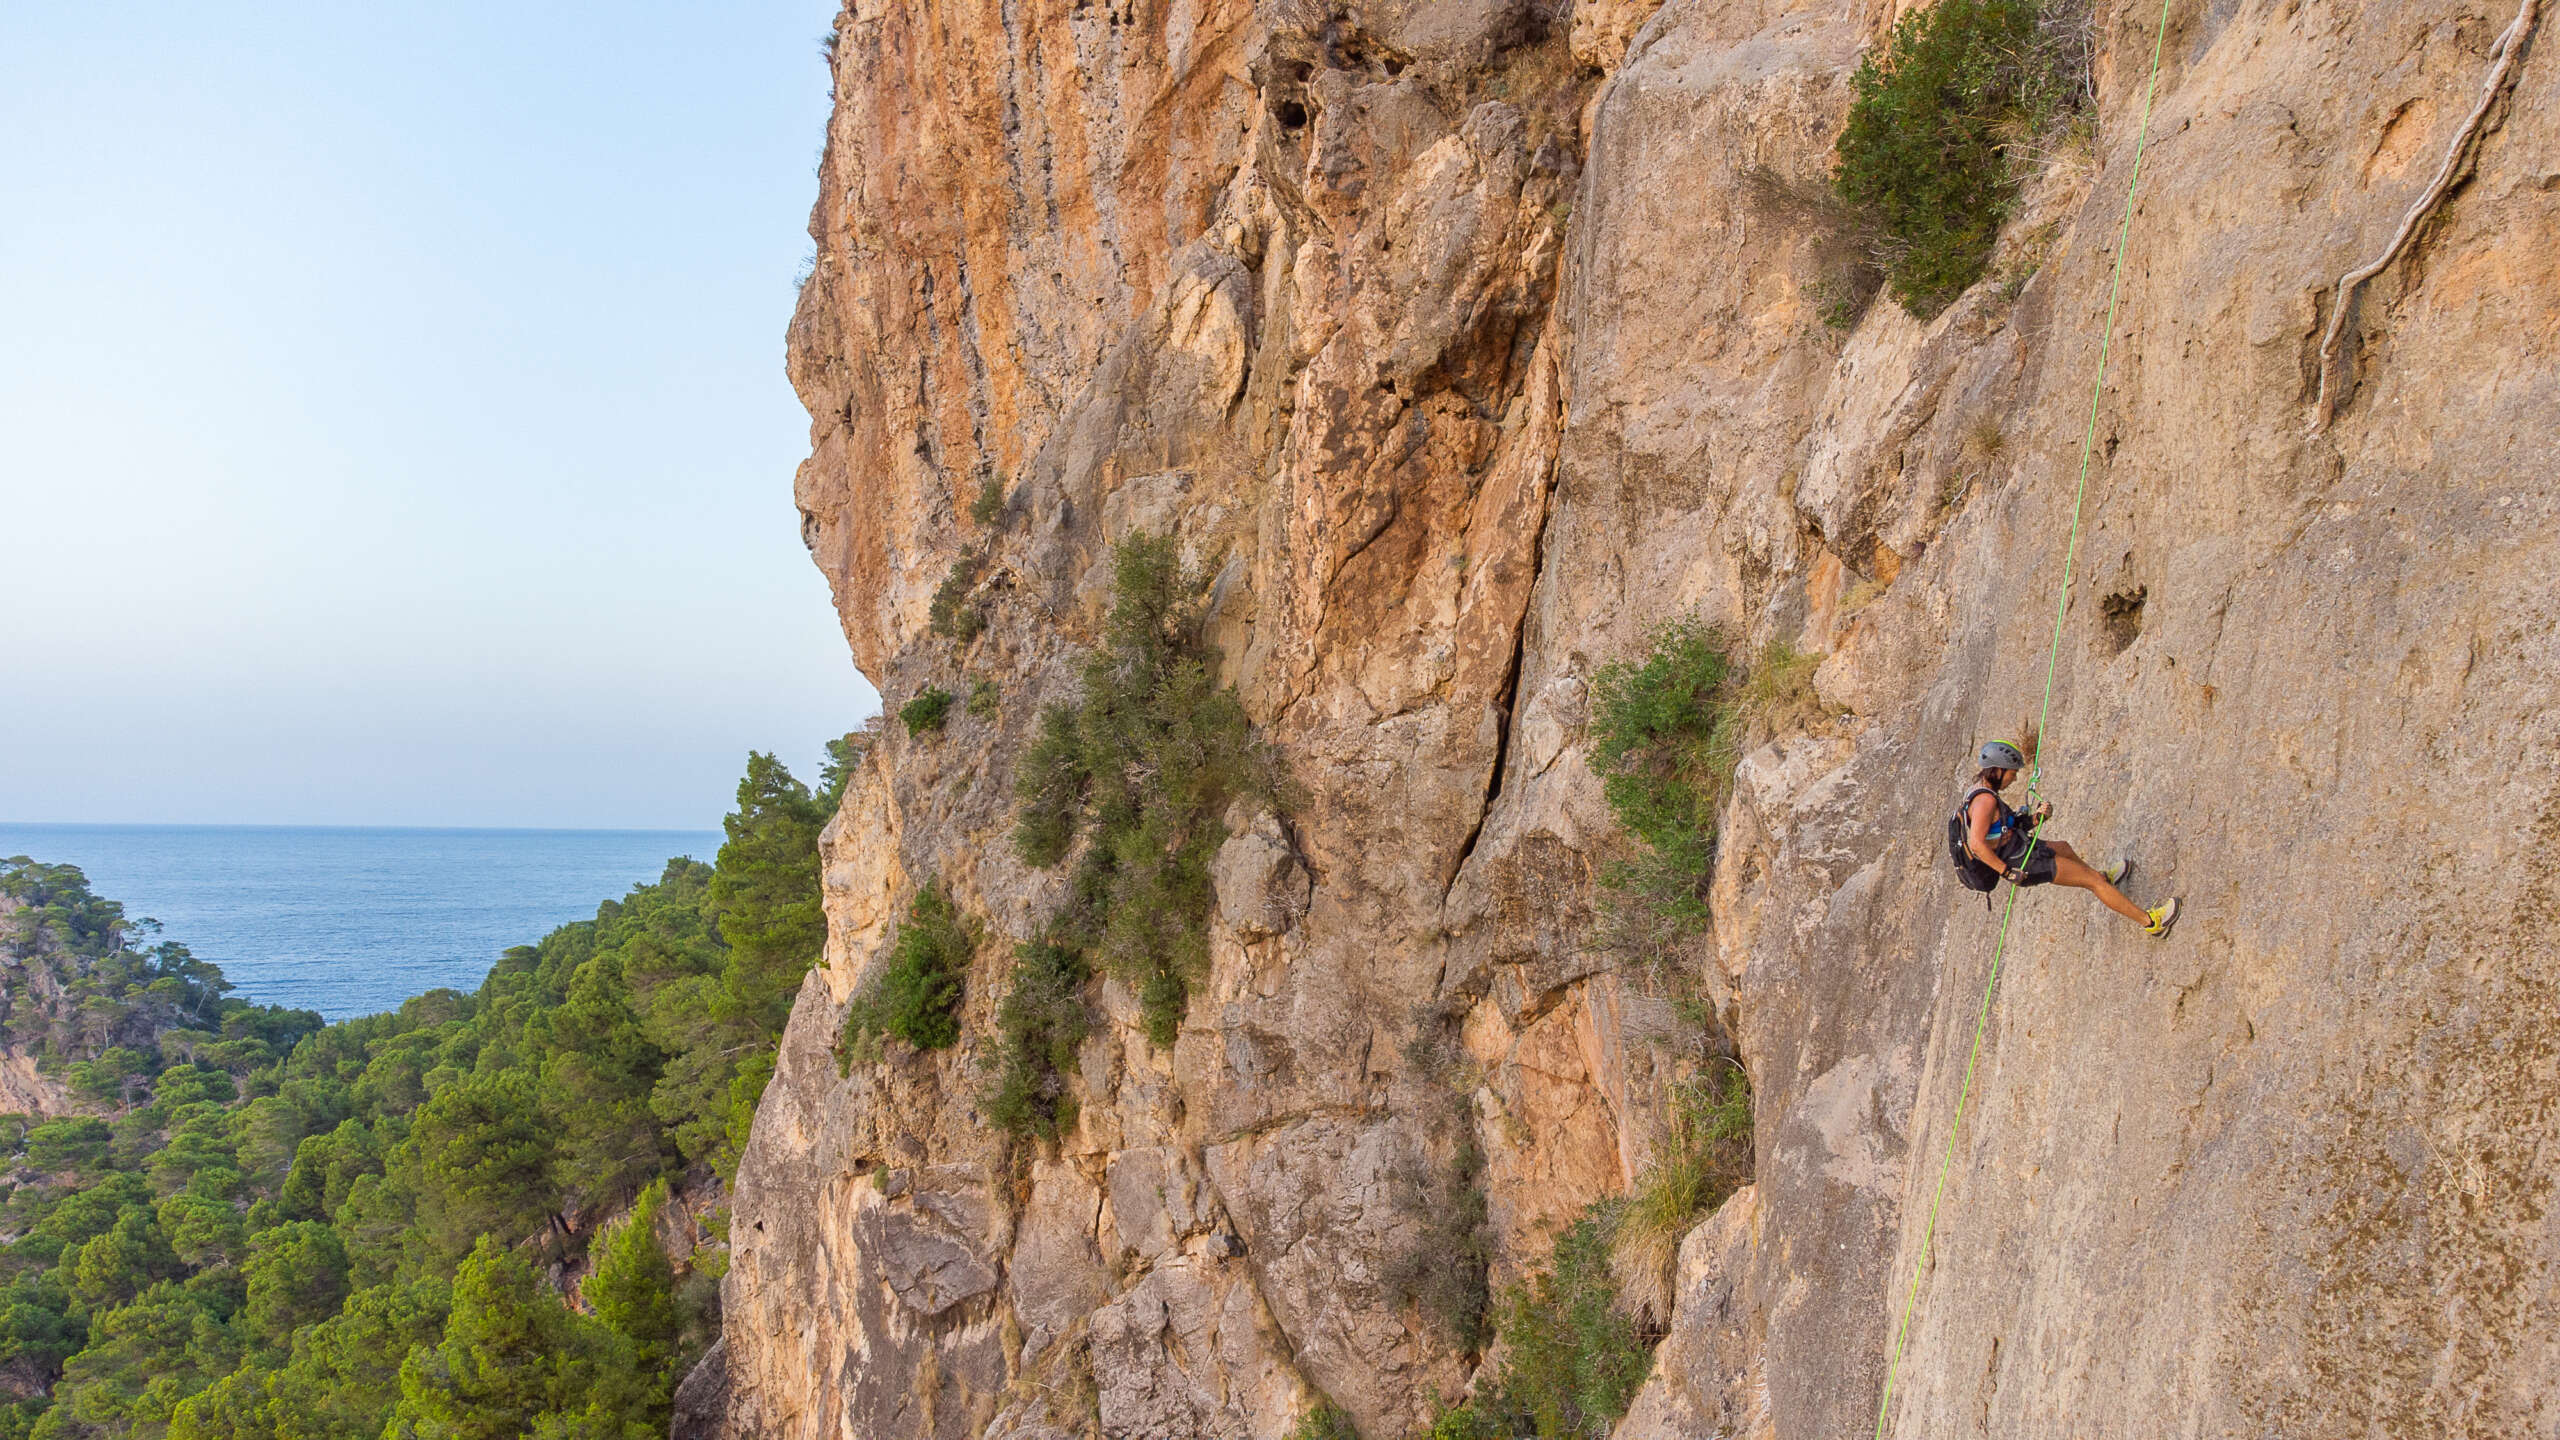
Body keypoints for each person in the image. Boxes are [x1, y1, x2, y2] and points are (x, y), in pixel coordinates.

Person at [1959, 740, 2177, 937]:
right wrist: (2007, 872)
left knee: (2063, 848)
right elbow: (1977, 845)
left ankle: (2103, 879)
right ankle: (2151, 922)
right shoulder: (1984, 801)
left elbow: (2002, 828)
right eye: (2012, 773)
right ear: (1999, 770)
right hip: (2024, 863)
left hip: (2019, 850)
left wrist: (2037, 818)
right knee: (2092, 883)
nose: (2014, 779)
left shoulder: (1978, 790)